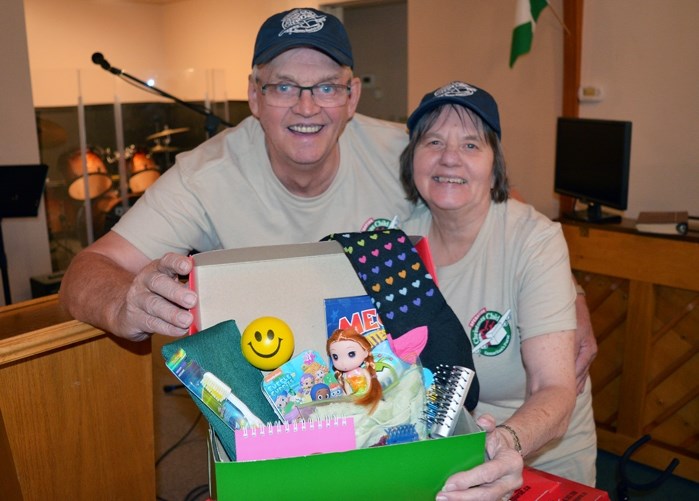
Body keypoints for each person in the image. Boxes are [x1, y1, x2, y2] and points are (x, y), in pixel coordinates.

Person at [57, 7, 590, 498]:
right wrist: (124, 304)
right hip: (326, 411)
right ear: (254, 93)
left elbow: (498, 203)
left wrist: (563, 300)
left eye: (327, 87)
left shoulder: (405, 150)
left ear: (353, 95)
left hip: (436, 413)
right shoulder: (205, 177)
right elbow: (86, 270)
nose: (307, 106)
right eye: (284, 85)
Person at [400, 81, 598, 491]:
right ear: (413, 160)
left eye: (471, 145)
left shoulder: (534, 240)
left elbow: (555, 388)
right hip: (442, 451)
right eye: (433, 141)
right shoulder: (400, 243)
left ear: (495, 166)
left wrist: (503, 441)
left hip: (536, 448)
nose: (450, 158)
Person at [327, 327, 382, 412]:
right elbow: (347, 388)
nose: (343, 362)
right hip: (355, 400)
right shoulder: (345, 376)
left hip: (367, 396)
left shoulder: (363, 371)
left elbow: (369, 381)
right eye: (335, 357)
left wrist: (369, 393)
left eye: (351, 354)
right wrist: (347, 397)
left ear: (365, 352)